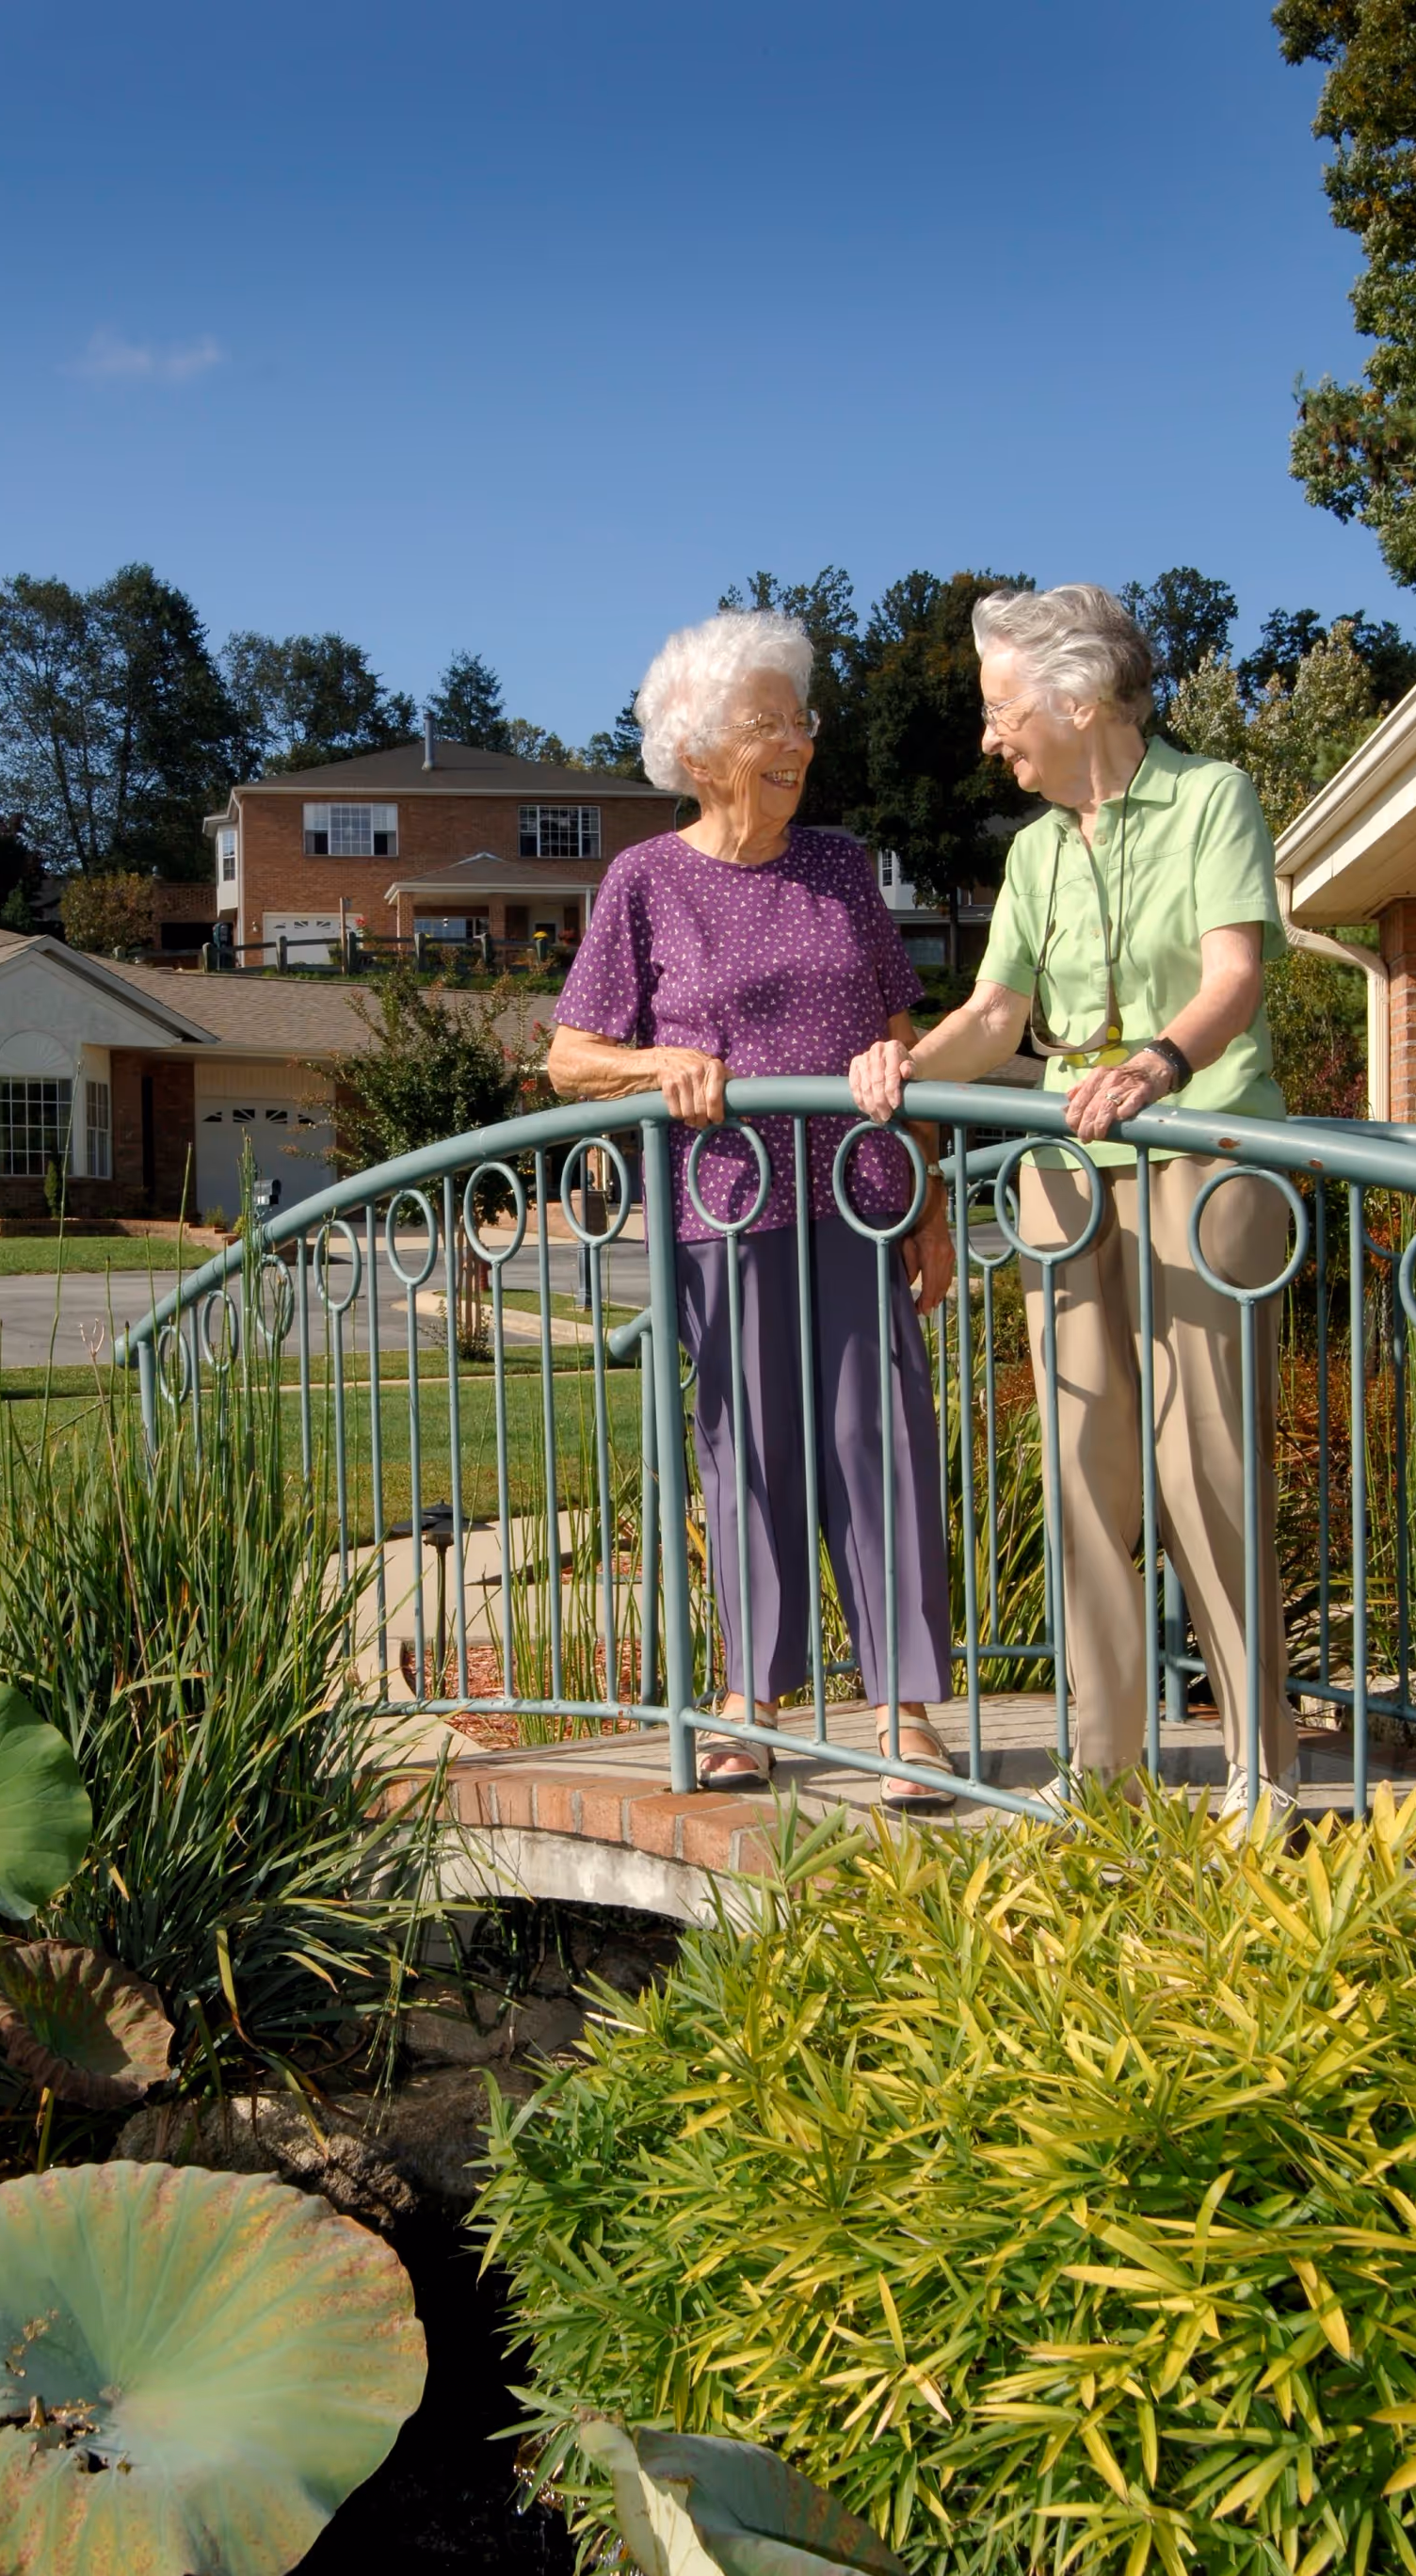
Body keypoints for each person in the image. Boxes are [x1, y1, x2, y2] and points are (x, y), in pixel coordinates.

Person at [848, 582, 1297, 1820]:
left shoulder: (1213, 799)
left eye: (1002, 710)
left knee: (1202, 1462)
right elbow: (997, 1017)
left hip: (1203, 1155)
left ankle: (1262, 1763)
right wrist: (904, 1064)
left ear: (1079, 696)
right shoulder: (1036, 850)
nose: (991, 738)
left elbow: (1235, 974)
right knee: (1086, 1471)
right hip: (1062, 1174)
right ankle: (1107, 1774)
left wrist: (1156, 1063)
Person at [547, 608, 957, 1800]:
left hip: (863, 1197)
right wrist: (653, 1066)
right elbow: (570, 1055)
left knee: (878, 1442)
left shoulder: (840, 863)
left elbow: (896, 1026)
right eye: (764, 721)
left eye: (801, 719)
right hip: (725, 1209)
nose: (796, 742)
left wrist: (928, 1195)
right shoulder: (645, 879)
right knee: (750, 1454)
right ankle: (750, 1699)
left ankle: (903, 1710)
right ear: (696, 745)